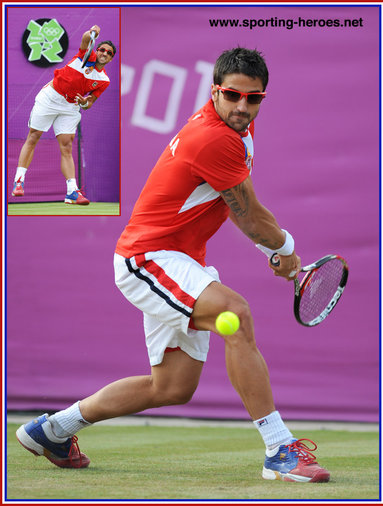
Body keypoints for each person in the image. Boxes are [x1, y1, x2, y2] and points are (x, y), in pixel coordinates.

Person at [16, 48, 330, 483]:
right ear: (215, 90)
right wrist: (285, 249)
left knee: (171, 388)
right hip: (147, 257)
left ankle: (52, 430)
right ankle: (279, 449)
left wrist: (272, 250)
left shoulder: (236, 126)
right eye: (233, 95)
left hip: (178, 258)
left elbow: (241, 204)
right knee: (234, 315)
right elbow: (251, 216)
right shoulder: (213, 137)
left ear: (261, 98)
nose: (242, 106)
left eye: (253, 98)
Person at [11, 25, 116, 205]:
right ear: (96, 50)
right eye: (102, 49)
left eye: (109, 52)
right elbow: (85, 39)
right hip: (50, 98)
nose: (104, 53)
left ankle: (71, 192)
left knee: (67, 146)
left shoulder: (104, 80)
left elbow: (90, 102)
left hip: (71, 107)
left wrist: (84, 102)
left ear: (111, 58)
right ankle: (19, 181)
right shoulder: (85, 56)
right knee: (34, 136)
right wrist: (93, 33)